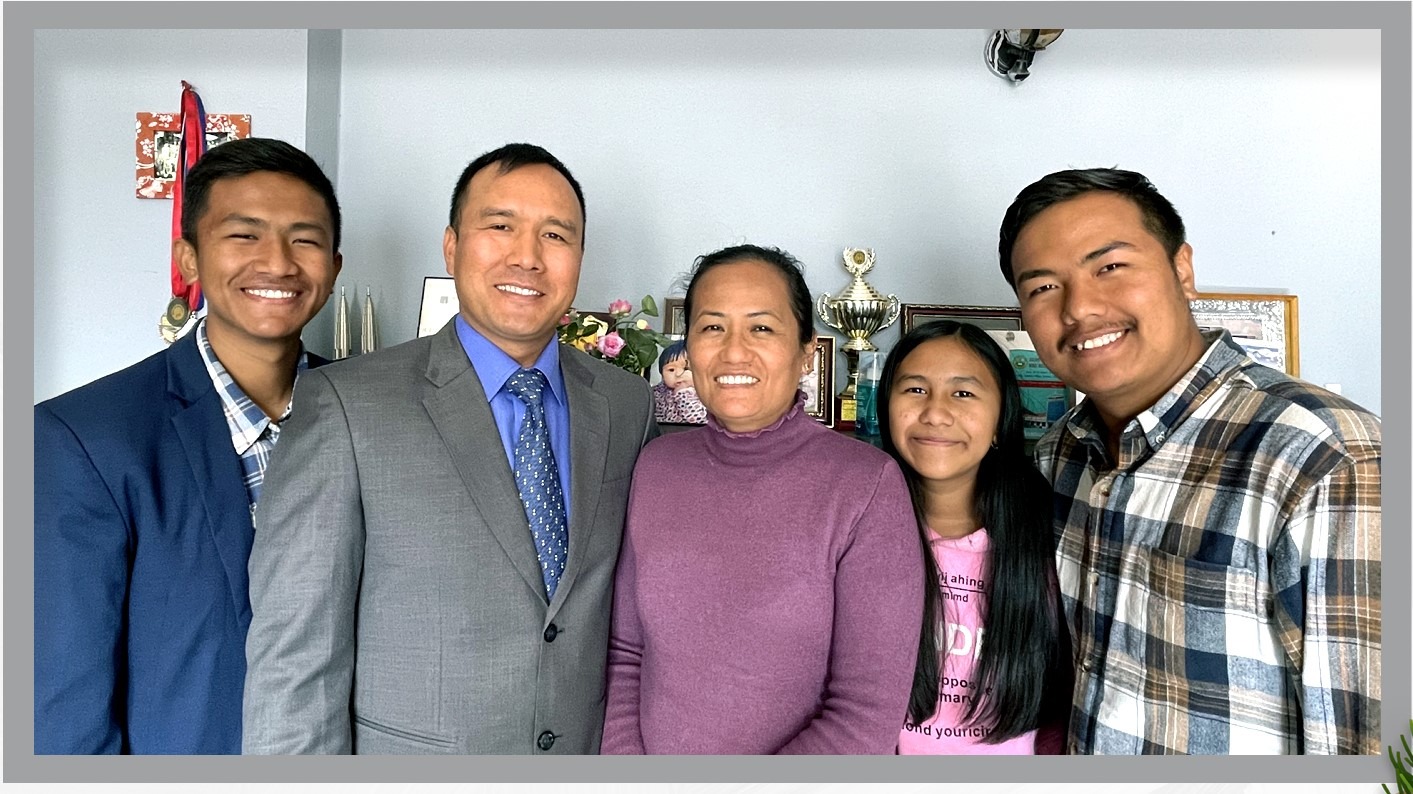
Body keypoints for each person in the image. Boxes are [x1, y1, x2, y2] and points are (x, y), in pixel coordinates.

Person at [242, 143, 656, 754]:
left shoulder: (626, 404)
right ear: (452, 246)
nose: (527, 256)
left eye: (555, 235)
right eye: (500, 226)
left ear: (578, 259)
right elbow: (295, 659)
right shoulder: (346, 405)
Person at [997, 168, 1381, 755]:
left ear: (1182, 269)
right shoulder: (1058, 458)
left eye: (1110, 267)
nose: (1080, 308)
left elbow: (1369, 744)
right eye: (1044, 287)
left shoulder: (1325, 458)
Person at [33, 137, 343, 753]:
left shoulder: (371, 414)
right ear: (190, 259)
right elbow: (64, 707)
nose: (278, 262)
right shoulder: (85, 438)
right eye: (244, 235)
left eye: (304, 240)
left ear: (333, 267)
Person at [601, 244, 924, 754]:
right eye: (712, 326)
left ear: (806, 352)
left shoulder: (866, 484)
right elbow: (625, 655)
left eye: (762, 328)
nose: (734, 351)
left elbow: (866, 711)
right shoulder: (656, 466)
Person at [877, 321, 1070, 755]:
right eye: (915, 389)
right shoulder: (860, 533)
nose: (935, 413)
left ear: (1001, 419)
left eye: (962, 393)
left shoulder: (1050, 534)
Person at [650, 339, 707, 424]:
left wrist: (684, 392)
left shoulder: (704, 394)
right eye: (671, 370)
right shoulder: (656, 394)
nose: (678, 374)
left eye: (687, 369)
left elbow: (697, 419)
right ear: (662, 374)